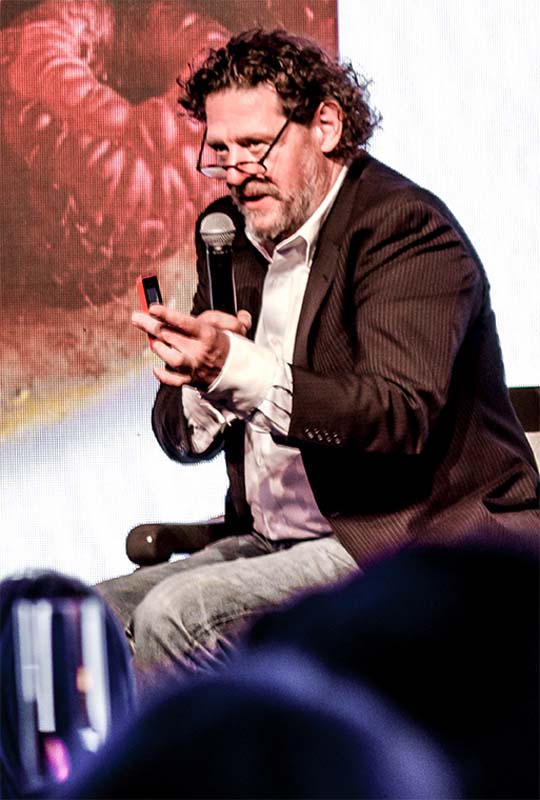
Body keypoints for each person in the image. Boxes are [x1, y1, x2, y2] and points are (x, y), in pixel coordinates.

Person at [98, 27, 539, 678]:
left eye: (255, 146)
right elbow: (179, 438)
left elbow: (397, 414)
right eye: (220, 151)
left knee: (178, 618)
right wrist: (200, 379)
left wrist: (234, 368)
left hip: (405, 538)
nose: (237, 172)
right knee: (81, 619)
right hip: (271, 540)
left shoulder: (404, 229)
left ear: (326, 126)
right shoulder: (229, 234)